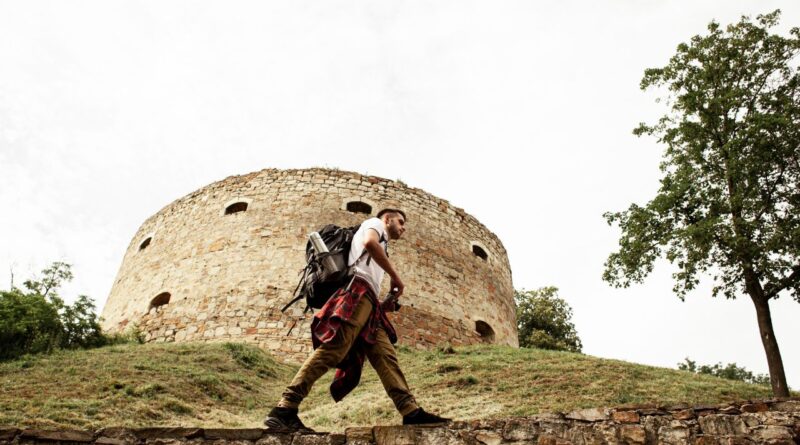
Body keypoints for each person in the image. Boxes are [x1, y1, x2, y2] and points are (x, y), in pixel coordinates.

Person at [264, 208, 451, 431]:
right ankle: (285, 408)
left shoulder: (384, 243)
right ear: (387, 219)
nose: (403, 227)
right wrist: (396, 278)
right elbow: (369, 244)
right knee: (334, 348)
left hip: (369, 302)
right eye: (400, 222)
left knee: (386, 356)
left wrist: (384, 303)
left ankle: (410, 411)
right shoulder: (375, 224)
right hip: (357, 293)